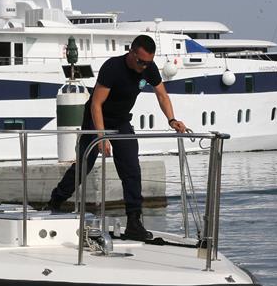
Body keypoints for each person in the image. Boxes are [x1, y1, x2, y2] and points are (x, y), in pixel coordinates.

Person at [47, 34, 186, 241]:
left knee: (131, 167)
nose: (143, 67)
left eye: (147, 63)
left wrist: (172, 120)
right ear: (131, 53)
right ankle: (55, 202)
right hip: (96, 118)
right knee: (85, 164)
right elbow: (96, 104)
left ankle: (134, 222)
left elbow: (162, 95)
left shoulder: (149, 68)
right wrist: (101, 136)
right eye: (140, 61)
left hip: (121, 121)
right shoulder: (113, 68)